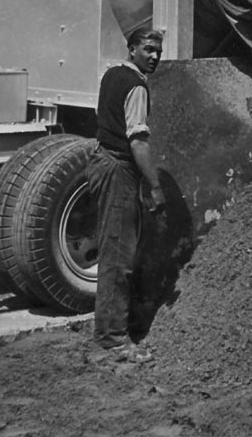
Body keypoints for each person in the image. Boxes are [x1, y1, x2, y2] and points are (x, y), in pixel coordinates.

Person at [89, 27, 168, 363]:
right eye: (148, 50)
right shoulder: (136, 86)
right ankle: (113, 340)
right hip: (118, 167)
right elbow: (137, 142)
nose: (154, 57)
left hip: (101, 159)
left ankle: (112, 327)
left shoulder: (112, 74)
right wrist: (155, 186)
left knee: (114, 247)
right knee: (119, 256)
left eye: (158, 52)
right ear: (132, 48)